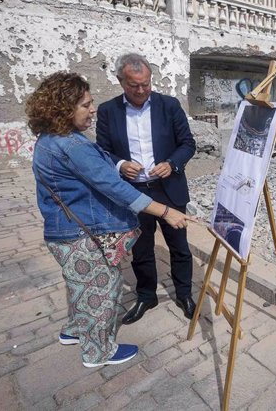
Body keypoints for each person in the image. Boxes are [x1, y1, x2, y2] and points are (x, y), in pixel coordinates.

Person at [26, 72, 192, 368]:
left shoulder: (50, 140)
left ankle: (75, 331)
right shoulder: (72, 146)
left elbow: (186, 144)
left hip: (63, 230)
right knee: (101, 291)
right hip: (82, 234)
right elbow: (113, 187)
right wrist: (166, 212)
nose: (92, 110)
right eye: (85, 105)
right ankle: (98, 352)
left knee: (80, 286)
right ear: (64, 109)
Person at [96, 53, 197, 325]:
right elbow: (102, 151)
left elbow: (187, 143)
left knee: (179, 246)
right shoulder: (108, 111)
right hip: (133, 193)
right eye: (133, 85)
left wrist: (171, 164)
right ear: (120, 81)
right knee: (140, 249)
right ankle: (146, 295)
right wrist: (119, 165)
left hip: (169, 189)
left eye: (145, 84)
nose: (141, 90)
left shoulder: (169, 105)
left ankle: (184, 294)